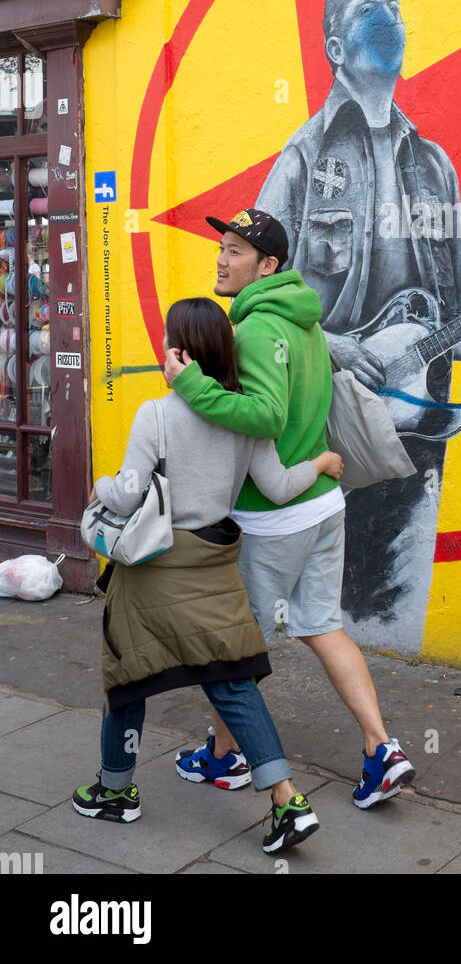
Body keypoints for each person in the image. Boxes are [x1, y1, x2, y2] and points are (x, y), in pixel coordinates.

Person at [256, 0, 461, 650]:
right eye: (367, 11)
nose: (387, 20)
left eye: (396, 7)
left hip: (418, 438)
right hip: (324, 431)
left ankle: (375, 731)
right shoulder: (301, 159)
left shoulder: (435, 167)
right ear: (335, 47)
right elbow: (253, 304)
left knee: (395, 629)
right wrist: (332, 346)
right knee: (317, 614)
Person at [165, 207, 415, 809]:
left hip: (272, 515)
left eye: (235, 251)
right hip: (322, 502)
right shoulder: (305, 322)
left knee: (235, 646)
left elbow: (267, 417)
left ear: (267, 265)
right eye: (221, 247)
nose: (221, 260)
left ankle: (227, 760)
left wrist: (190, 385)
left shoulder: (254, 330)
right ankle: (382, 750)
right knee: (322, 627)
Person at [74, 296, 344, 853]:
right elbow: (276, 488)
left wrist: (99, 487)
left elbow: (127, 493)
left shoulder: (156, 414)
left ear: (179, 351)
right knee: (233, 682)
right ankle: (287, 800)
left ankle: (116, 790)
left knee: (129, 676)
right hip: (215, 565)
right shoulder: (243, 417)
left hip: (155, 570)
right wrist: (319, 464)